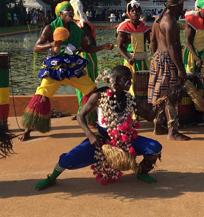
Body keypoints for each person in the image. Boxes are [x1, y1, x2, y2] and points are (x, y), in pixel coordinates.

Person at [34, 66, 162, 190]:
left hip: (125, 141)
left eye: (131, 79)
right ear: (116, 80)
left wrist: (158, 106)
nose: (130, 82)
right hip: (100, 141)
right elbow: (80, 116)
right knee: (68, 158)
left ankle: (142, 172)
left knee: (154, 147)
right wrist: (90, 135)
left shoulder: (129, 98)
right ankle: (51, 178)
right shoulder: (99, 95)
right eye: (126, 79)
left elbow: (149, 116)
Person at [19, 1, 114, 141]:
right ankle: (29, 128)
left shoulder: (77, 29)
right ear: (60, 13)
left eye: (71, 11)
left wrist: (103, 47)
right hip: (55, 68)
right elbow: (36, 47)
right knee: (42, 94)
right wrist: (53, 44)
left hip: (73, 68)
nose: (70, 13)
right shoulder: (50, 28)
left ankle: (93, 121)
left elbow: (87, 49)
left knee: (91, 90)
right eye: (67, 11)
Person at [148, 0, 190, 141]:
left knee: (160, 95)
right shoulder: (170, 23)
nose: (182, 8)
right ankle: (173, 131)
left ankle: (158, 126)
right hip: (167, 59)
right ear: (177, 5)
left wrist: (156, 59)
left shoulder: (157, 20)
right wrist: (180, 68)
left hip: (157, 58)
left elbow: (152, 42)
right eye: (181, 6)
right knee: (171, 96)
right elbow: (172, 48)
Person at [69, 0, 99, 126]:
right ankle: (83, 111)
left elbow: (92, 43)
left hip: (86, 56)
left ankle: (90, 113)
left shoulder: (82, 25)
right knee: (78, 85)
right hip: (78, 56)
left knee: (87, 84)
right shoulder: (74, 25)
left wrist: (77, 49)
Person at [116, 0, 151, 83]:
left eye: (137, 10)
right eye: (132, 11)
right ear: (129, 13)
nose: (135, 12)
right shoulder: (123, 28)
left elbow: (151, 43)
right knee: (130, 85)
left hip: (143, 61)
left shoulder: (146, 27)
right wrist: (128, 58)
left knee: (145, 84)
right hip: (130, 61)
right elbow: (119, 47)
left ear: (140, 12)